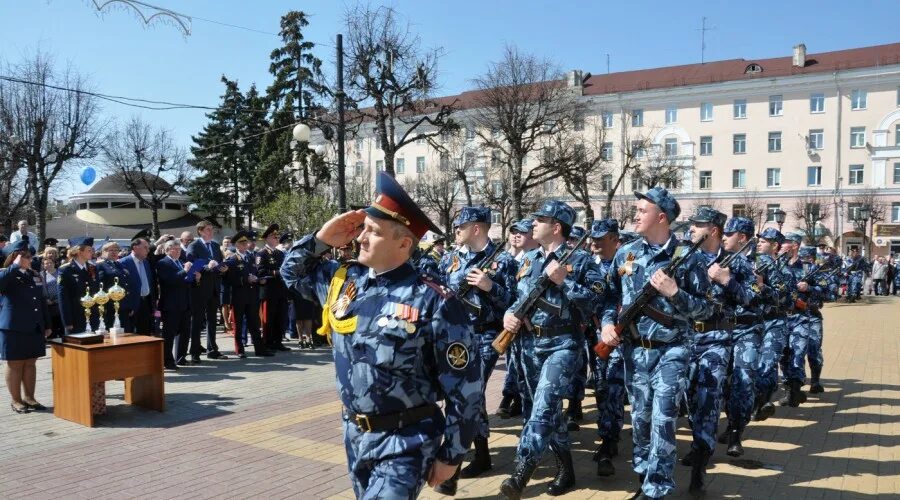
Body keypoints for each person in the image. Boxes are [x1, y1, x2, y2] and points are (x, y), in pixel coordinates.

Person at [280, 171, 481, 499]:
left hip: (407, 440)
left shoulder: (433, 299)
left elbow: (467, 387)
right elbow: (291, 272)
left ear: (403, 243)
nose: (361, 238)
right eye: (362, 230)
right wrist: (321, 240)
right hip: (355, 435)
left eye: (372, 232)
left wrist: (452, 455)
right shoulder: (345, 283)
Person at [598, 187, 712, 499]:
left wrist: (676, 292)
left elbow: (707, 308)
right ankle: (644, 477)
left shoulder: (688, 258)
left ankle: (656, 490)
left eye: (642, 210)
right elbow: (608, 297)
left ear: (661, 217)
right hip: (635, 351)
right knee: (641, 420)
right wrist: (608, 324)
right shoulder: (626, 253)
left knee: (663, 418)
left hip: (672, 350)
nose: (635, 215)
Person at [499, 200, 603, 498]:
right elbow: (516, 296)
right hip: (530, 344)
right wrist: (510, 312)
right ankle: (566, 469)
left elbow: (595, 301)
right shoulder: (528, 259)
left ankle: (522, 469)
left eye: (539, 220)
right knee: (548, 412)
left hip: (563, 344)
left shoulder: (581, 260)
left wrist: (565, 280)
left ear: (556, 227)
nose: (533, 224)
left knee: (543, 405)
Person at [434, 206, 517, 495]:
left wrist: (490, 286)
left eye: (461, 225)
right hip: (454, 340)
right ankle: (479, 449)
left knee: (473, 393)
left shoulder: (503, 261)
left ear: (477, 228)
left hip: (485, 337)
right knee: (460, 396)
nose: (456, 230)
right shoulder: (450, 258)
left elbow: (515, 305)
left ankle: (474, 456)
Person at [680, 208, 755, 492]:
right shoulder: (685, 258)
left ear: (712, 229)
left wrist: (727, 280)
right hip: (685, 339)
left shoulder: (735, 263)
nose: (691, 230)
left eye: (697, 225)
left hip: (716, 340)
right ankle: (698, 442)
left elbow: (750, 298)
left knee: (709, 401)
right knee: (688, 401)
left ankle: (700, 463)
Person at [718, 217, 766, 458]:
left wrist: (728, 281)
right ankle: (729, 423)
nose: (724, 237)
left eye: (730, 233)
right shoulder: (719, 258)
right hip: (721, 330)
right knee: (722, 384)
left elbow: (754, 297)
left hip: (747, 330)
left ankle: (736, 432)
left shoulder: (757, 265)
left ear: (743, 238)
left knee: (743, 381)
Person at [587, 218, 627, 478]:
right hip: (595, 334)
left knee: (613, 386)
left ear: (614, 239)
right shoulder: (588, 264)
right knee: (601, 386)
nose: (595, 243)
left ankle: (609, 440)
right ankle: (608, 430)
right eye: (593, 238)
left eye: (601, 239)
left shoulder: (627, 263)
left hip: (620, 335)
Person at [0, 241, 52, 414]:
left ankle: (30, 397)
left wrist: (47, 324)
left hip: (34, 325)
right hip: (14, 327)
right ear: (14, 257)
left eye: (30, 255)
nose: (29, 259)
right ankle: (16, 400)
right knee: (15, 364)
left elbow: (42, 301)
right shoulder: (7, 273)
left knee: (31, 363)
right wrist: (14, 266)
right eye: (25, 256)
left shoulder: (35, 274)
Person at [496, 218, 537, 420]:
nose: (516, 235)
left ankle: (522, 402)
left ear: (533, 234)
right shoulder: (508, 259)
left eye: (522, 232)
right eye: (513, 232)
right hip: (510, 320)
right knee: (513, 362)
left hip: (532, 325)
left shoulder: (535, 259)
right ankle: (512, 397)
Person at [752, 228, 795, 420]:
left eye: (765, 241)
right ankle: (761, 400)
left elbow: (787, 301)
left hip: (775, 322)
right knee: (754, 366)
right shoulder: (751, 263)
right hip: (753, 323)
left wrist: (763, 287)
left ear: (775, 245)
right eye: (759, 240)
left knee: (767, 364)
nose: (760, 243)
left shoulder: (784, 270)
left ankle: (762, 402)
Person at [223, 231, 272, 358]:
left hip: (252, 295)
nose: (245, 245)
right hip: (239, 296)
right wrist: (246, 279)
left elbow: (256, 272)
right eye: (242, 243)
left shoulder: (251, 258)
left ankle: (259, 349)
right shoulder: (232, 260)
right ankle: (239, 350)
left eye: (246, 242)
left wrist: (260, 280)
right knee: (238, 325)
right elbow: (230, 279)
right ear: (236, 245)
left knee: (254, 323)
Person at [185, 220, 230, 360]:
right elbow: (191, 266)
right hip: (200, 288)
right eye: (208, 229)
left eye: (212, 229)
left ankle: (212, 349)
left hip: (214, 288)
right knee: (197, 321)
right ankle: (195, 352)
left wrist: (223, 268)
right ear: (200, 231)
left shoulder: (216, 246)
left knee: (212, 320)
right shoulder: (194, 245)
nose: (211, 232)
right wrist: (207, 267)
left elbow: (219, 263)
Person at [156, 239, 196, 369]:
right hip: (171, 304)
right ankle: (167, 361)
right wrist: (185, 271)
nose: (179, 251)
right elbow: (170, 280)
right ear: (168, 250)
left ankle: (181, 357)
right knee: (169, 334)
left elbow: (186, 281)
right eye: (176, 249)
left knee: (184, 332)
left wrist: (195, 277)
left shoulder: (180, 262)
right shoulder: (163, 263)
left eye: (180, 249)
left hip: (185, 303)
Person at [256, 224, 290, 353]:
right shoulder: (261, 253)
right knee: (268, 318)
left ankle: (277, 341)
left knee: (279, 317)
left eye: (277, 236)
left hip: (280, 290)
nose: (276, 239)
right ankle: (267, 342)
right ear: (267, 239)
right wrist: (276, 273)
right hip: (268, 291)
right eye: (274, 237)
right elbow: (260, 271)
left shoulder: (280, 253)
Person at [57, 237, 100, 335]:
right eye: (89, 250)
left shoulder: (92, 268)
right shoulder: (66, 270)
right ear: (79, 252)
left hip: (92, 317)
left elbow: (96, 291)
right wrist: (67, 322)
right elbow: (63, 298)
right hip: (76, 317)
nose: (92, 252)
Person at [119, 231, 156, 335]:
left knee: (145, 333)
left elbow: (150, 283)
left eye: (148, 248)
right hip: (131, 305)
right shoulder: (123, 263)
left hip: (146, 303)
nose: (148, 250)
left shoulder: (146, 262)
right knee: (130, 334)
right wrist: (128, 306)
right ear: (135, 248)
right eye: (145, 248)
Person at [96, 241, 133, 332]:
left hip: (123, 305)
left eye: (116, 250)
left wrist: (129, 305)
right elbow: (100, 286)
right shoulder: (100, 265)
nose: (114, 252)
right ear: (103, 252)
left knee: (125, 333)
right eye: (111, 250)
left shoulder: (119, 264)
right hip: (109, 306)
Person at [40, 247, 64, 339]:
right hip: (48, 306)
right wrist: (46, 300)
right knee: (51, 329)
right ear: (43, 265)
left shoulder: (60, 273)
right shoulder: (41, 275)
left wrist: (55, 301)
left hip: (59, 304)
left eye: (50, 263)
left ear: (54, 264)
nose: (48, 265)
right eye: (46, 263)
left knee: (61, 328)